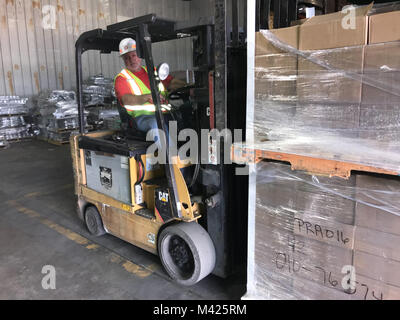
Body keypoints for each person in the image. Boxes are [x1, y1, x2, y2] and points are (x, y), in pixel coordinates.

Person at [114, 37, 187, 134]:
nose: (132, 60)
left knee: (188, 112)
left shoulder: (152, 71)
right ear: (123, 59)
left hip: (164, 113)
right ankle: (169, 149)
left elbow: (171, 82)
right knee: (156, 124)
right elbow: (126, 100)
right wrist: (147, 97)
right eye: (127, 58)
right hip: (142, 117)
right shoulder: (122, 78)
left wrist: (189, 87)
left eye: (133, 55)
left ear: (139, 56)